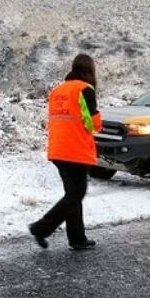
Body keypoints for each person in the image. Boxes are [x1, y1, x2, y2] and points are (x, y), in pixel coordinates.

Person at [29, 54, 102, 250]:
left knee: (72, 195)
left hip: (57, 149)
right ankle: (41, 228)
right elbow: (92, 123)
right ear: (89, 70)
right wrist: (98, 119)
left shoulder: (58, 91)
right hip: (75, 150)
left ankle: (77, 239)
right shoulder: (84, 89)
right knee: (76, 194)